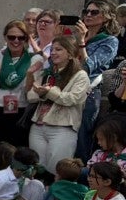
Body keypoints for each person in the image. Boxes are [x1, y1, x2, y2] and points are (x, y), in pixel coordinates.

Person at [25, 37, 88, 165]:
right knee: (37, 167)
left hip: (62, 128)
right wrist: (40, 90)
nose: (53, 52)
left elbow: (72, 98)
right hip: (38, 126)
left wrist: (49, 91)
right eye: (52, 49)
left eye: (58, 49)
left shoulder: (80, 75)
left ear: (70, 54)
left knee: (57, 168)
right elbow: (30, 96)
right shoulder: (47, 72)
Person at [0, 20, 35, 155]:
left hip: (20, 113)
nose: (16, 41)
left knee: (16, 155)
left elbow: (31, 94)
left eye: (21, 38)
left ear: (26, 39)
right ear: (5, 37)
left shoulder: (33, 60)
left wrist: (31, 75)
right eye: (11, 37)